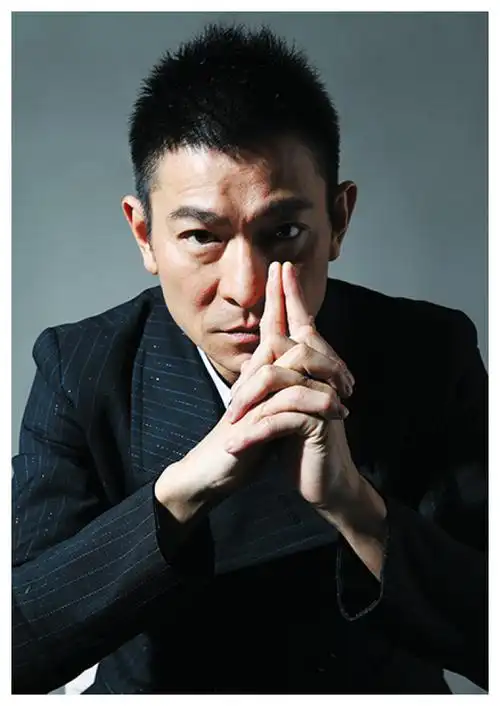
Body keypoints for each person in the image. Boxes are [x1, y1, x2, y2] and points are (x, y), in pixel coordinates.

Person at [12, 24, 487, 694]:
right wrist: (182, 492)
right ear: (144, 234)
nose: (246, 287)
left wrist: (354, 505)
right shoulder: (81, 367)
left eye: (284, 232)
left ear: (338, 221)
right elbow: (17, 650)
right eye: (201, 236)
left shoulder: (429, 353)